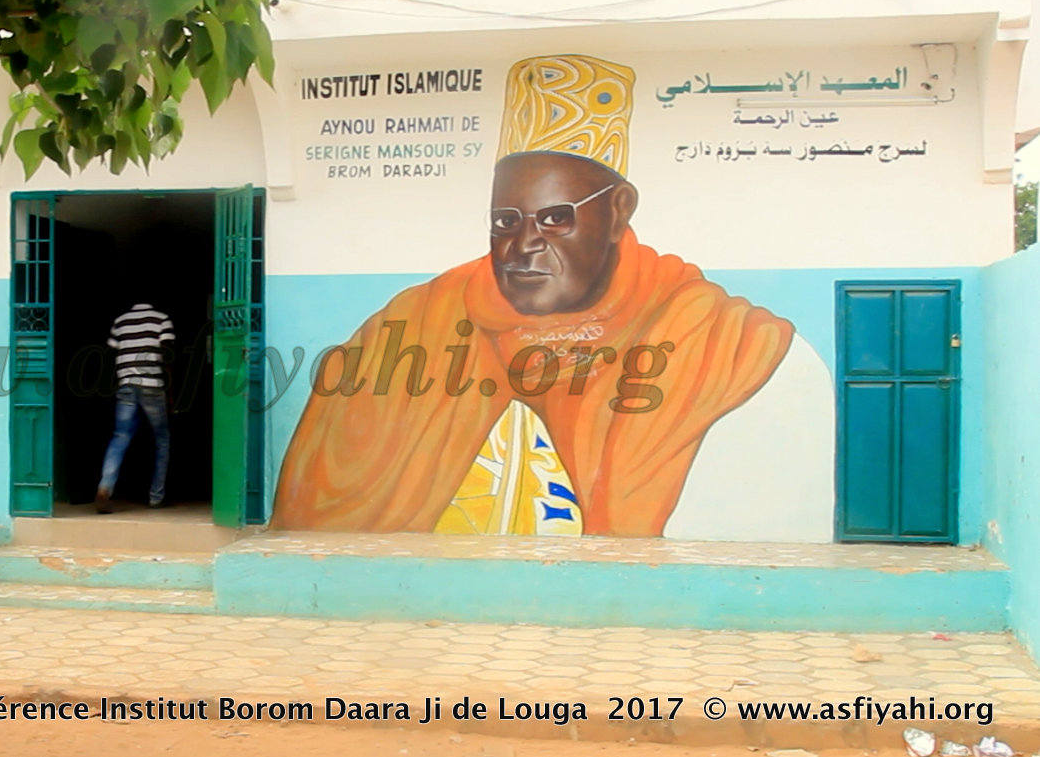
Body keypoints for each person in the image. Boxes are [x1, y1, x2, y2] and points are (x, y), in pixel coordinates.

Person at [271, 54, 832, 539]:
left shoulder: (728, 348)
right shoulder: (411, 328)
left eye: (556, 219)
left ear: (619, 211)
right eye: (504, 221)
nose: (524, 245)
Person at [95, 301, 176, 513]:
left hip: (126, 385)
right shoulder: (162, 319)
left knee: (120, 437)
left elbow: (111, 354)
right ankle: (156, 497)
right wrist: (170, 393)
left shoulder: (120, 321)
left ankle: (105, 487)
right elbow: (167, 356)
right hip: (152, 386)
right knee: (162, 440)